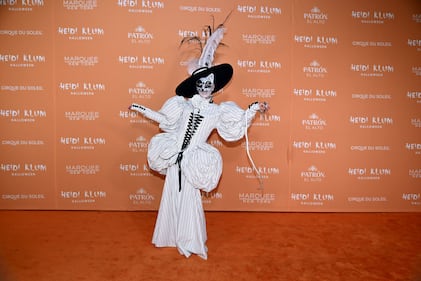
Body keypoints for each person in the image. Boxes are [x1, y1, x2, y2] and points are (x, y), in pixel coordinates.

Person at [128, 21, 269, 260]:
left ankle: (190, 239)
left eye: (209, 84)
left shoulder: (218, 111)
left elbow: (236, 125)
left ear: (214, 86)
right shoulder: (181, 105)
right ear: (195, 85)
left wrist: (254, 108)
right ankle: (169, 236)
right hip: (175, 157)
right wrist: (142, 109)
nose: (204, 87)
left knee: (190, 197)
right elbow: (164, 119)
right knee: (173, 192)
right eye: (201, 84)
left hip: (194, 161)